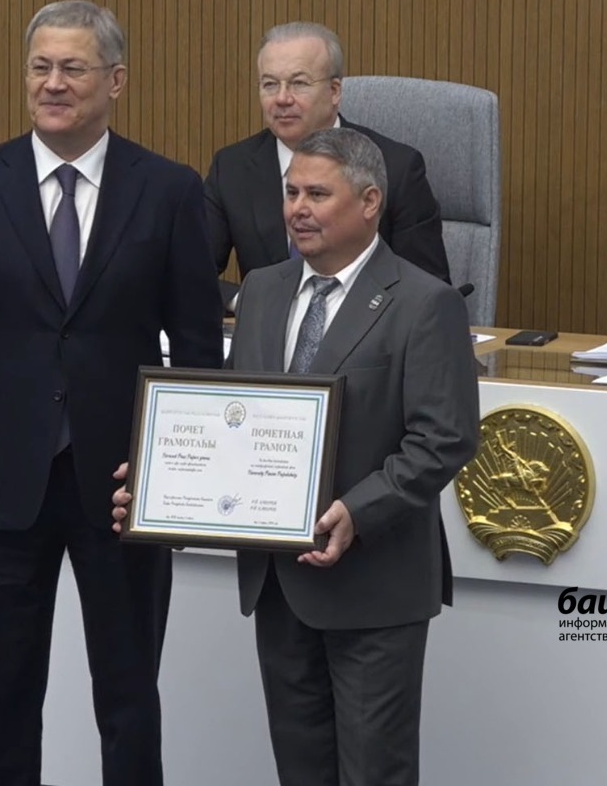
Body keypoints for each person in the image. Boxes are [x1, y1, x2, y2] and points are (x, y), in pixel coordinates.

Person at [0, 0, 224, 786]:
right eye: (40, 67)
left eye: (72, 68)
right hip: (1, 486)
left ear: (115, 81)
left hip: (121, 489)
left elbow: (196, 352)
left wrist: (172, 479)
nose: (52, 84)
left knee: (129, 695)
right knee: (5, 694)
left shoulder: (169, 191)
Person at [115, 127, 480, 786]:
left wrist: (358, 511)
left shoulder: (426, 303)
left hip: (373, 585)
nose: (297, 210)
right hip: (279, 582)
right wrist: (160, 488)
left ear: (370, 203)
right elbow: (234, 420)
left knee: (373, 772)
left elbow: (444, 438)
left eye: (317, 194)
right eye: (291, 194)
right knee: (300, 770)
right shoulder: (262, 289)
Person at [203, 21, 450, 309]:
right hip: (269, 335)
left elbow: (427, 290)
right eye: (270, 84)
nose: (282, 98)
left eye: (298, 83)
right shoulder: (233, 168)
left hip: (365, 330)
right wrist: (250, 302)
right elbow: (188, 271)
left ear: (334, 91)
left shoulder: (395, 168)